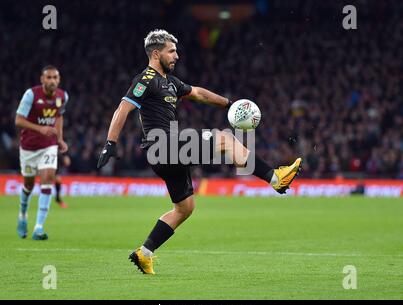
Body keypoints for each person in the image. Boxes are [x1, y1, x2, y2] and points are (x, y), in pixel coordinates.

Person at [97, 29, 301, 274]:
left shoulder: (171, 82)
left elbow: (198, 93)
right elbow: (123, 108)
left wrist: (229, 103)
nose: (177, 56)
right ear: (155, 53)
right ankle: (276, 178)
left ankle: (144, 253)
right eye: (171, 51)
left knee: (185, 208)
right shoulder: (145, 79)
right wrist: (111, 143)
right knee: (225, 139)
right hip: (162, 146)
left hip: (168, 153)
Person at [15, 65, 69, 240]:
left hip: (49, 145)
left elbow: (59, 116)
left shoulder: (62, 96)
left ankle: (39, 227)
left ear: (59, 80)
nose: (52, 81)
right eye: (49, 77)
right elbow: (18, 120)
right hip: (28, 147)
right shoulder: (31, 95)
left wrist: (59, 139)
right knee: (29, 185)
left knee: (47, 180)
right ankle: (23, 214)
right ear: (42, 79)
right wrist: (40, 128)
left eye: (55, 77)